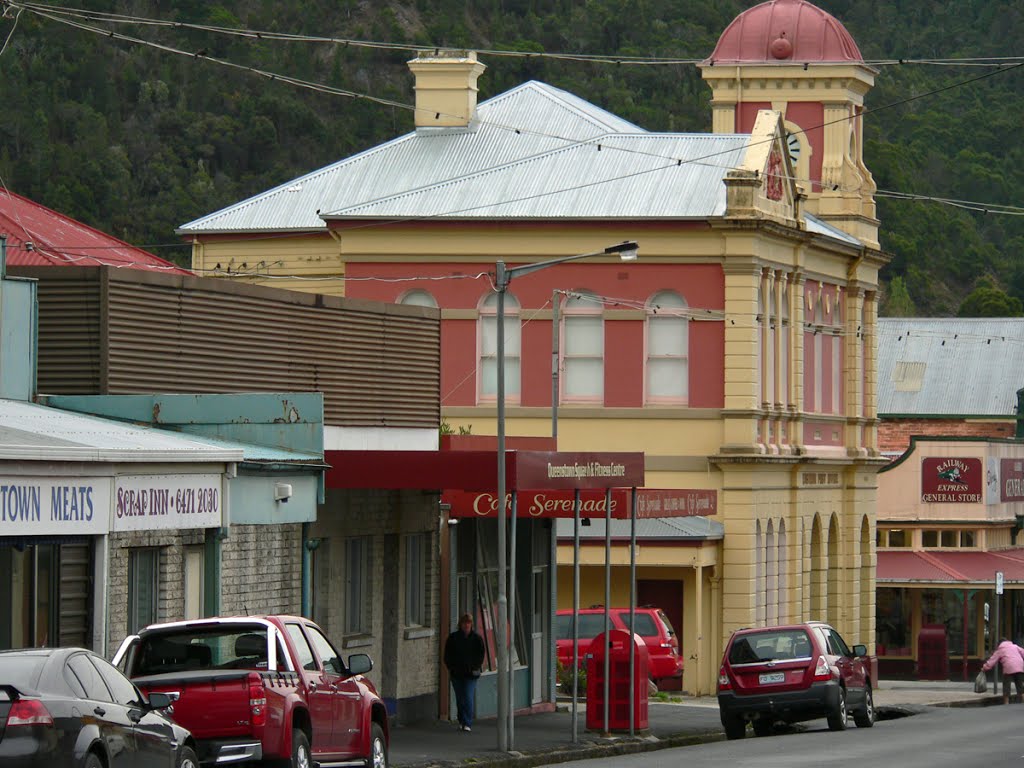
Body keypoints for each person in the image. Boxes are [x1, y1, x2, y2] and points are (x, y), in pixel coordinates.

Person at [444, 613, 486, 731]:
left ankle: (467, 722)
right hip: (456, 673)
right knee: (460, 698)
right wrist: (451, 667)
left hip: (470, 674)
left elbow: (481, 655)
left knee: (467, 696)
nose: (466, 625)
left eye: (468, 623)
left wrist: (475, 667)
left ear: (471, 624)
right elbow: (447, 655)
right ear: (460, 624)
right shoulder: (453, 638)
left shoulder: (477, 639)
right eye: (464, 623)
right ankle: (461, 720)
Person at [982, 637, 1024, 704]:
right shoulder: (1015, 646)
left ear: (999, 644)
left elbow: (992, 660)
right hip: (1020, 665)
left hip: (1009, 667)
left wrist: (985, 667)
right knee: (1019, 684)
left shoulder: (1000, 649)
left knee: (1006, 685)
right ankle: (1023, 699)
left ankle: (1006, 702)